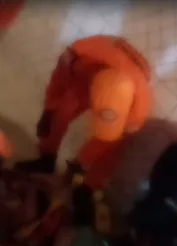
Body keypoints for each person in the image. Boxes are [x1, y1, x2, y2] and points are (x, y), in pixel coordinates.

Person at [14, 35, 152, 229]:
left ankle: (81, 180)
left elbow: (107, 149)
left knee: (108, 144)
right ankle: (46, 159)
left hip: (112, 85)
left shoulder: (138, 110)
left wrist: (84, 177)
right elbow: (58, 85)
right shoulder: (78, 55)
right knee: (61, 112)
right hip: (86, 77)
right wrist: (49, 109)